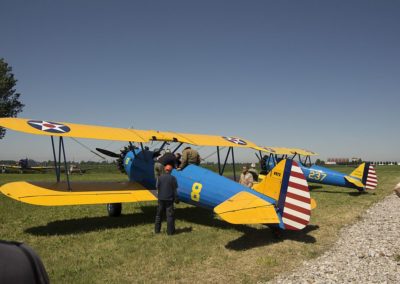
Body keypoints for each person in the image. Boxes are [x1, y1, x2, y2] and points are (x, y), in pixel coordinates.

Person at [155, 165, 179, 235]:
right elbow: (175, 190)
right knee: (170, 216)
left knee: (158, 215)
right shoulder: (173, 178)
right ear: (171, 171)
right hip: (169, 200)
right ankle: (170, 232)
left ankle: (157, 231)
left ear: (165, 170)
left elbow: (157, 187)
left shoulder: (159, 178)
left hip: (161, 199)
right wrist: (176, 198)